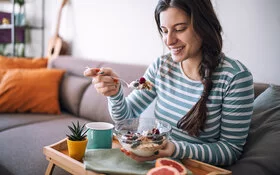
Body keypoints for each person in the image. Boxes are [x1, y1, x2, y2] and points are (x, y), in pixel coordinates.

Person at [84, 0, 254, 166]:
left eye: (180, 29)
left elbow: (231, 150)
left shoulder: (235, 77)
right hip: (155, 163)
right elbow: (126, 118)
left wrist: (176, 150)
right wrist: (115, 94)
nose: (169, 40)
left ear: (204, 26)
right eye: (164, 31)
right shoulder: (161, 66)